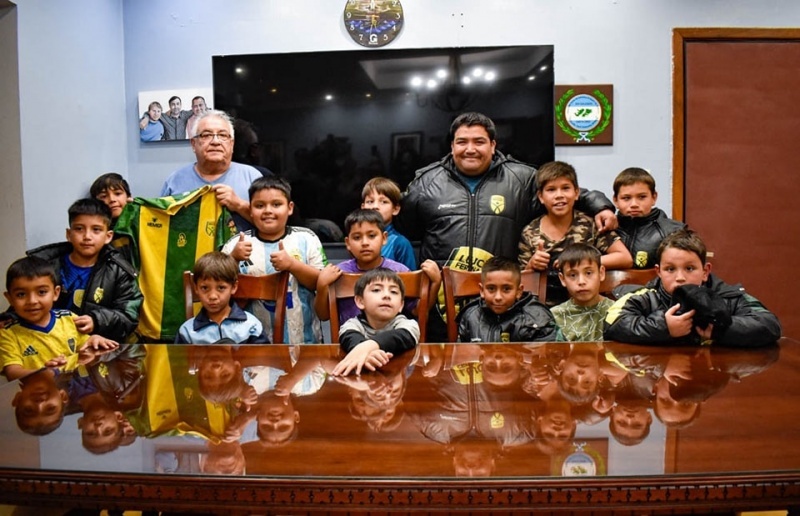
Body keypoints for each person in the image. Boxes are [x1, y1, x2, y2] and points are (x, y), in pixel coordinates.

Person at [396, 112, 617, 339]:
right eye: (462, 142)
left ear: (493, 145)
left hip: (505, 309)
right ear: (452, 146)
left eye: (479, 141)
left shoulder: (522, 179)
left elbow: (560, 193)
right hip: (440, 310)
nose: (470, 149)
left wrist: (601, 206)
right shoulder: (427, 182)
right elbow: (404, 225)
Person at [604, 229, 782, 347]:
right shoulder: (645, 297)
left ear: (705, 271)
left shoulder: (728, 296)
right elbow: (612, 323)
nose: (680, 278)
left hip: (711, 375)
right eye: (670, 269)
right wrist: (663, 327)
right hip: (662, 374)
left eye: (689, 269)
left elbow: (769, 325)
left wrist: (722, 329)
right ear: (658, 272)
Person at [221, 176, 326, 344]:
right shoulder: (236, 244)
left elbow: (322, 284)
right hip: (251, 344)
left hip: (306, 342)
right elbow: (218, 288)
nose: (268, 210)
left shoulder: (307, 239)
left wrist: (293, 265)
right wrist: (233, 258)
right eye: (259, 205)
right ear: (250, 210)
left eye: (276, 204)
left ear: (290, 208)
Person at [26, 198, 142, 343]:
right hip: (48, 344)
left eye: (96, 230)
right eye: (79, 229)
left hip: (99, 346)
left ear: (108, 236)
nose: (87, 236)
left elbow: (128, 316)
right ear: (69, 234)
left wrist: (96, 320)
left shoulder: (119, 270)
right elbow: (23, 300)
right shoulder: (44, 266)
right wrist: (10, 318)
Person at [518, 161, 632, 306]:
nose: (559, 195)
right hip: (544, 311)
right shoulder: (529, 231)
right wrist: (532, 264)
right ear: (540, 196)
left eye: (565, 188)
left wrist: (583, 262)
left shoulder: (590, 224)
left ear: (576, 193)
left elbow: (624, 258)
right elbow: (522, 280)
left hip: (587, 309)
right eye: (551, 190)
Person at [315, 209, 440, 326]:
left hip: (391, 342)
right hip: (352, 345)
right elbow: (323, 315)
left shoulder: (400, 271)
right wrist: (321, 286)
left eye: (372, 236)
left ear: (384, 238)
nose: (365, 243)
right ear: (348, 243)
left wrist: (435, 283)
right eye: (357, 237)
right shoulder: (338, 273)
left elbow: (418, 311)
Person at [0, 256, 118, 380]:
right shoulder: (7, 333)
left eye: (41, 292)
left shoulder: (68, 319)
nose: (32, 301)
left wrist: (94, 339)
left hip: (69, 391)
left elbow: (85, 348)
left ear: (56, 293)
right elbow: (12, 373)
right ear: (9, 298)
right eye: (21, 294)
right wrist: (45, 372)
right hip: (33, 395)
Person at [160, 109, 263, 232]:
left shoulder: (252, 177)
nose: (215, 141)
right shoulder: (175, 181)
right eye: (207, 135)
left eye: (223, 135)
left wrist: (239, 205)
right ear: (194, 144)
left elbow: (272, 226)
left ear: (232, 144)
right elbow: (162, 229)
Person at [331, 268, 420, 376]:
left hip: (393, 374)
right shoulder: (353, 324)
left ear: (401, 305)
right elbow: (348, 337)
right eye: (376, 290)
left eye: (394, 292)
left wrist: (369, 346)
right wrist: (366, 355)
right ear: (360, 301)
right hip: (363, 378)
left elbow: (403, 336)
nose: (387, 296)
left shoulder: (408, 325)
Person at [457, 256, 561, 343]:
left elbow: (550, 358)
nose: (498, 297)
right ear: (482, 290)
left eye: (506, 289)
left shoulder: (538, 317)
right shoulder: (470, 316)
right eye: (491, 289)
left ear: (519, 291)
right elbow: (461, 357)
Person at [176, 252, 269, 344]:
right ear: (196, 288)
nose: (212, 296)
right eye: (204, 288)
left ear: (233, 287)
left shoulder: (251, 326)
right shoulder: (187, 332)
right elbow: (179, 359)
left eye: (221, 288)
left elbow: (263, 358)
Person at [613, 167, 686, 269]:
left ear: (654, 197)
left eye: (642, 197)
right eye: (626, 198)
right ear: (615, 200)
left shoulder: (674, 232)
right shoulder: (606, 229)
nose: (634, 204)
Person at [551, 243, 615, 341]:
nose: (581, 282)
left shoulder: (616, 312)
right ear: (562, 279)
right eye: (572, 275)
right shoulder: (554, 316)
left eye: (588, 273)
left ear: (601, 273)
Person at [361, 177, 416, 270]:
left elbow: (411, 281)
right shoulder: (359, 241)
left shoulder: (400, 243)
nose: (375, 206)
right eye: (370, 201)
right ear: (363, 207)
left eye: (383, 202)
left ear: (395, 209)